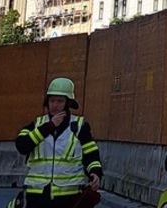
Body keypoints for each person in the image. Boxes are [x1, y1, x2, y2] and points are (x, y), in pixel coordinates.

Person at [14, 77, 103, 208]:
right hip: (38, 194)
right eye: (52, 100)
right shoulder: (37, 125)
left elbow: (91, 154)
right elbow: (22, 146)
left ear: (68, 103)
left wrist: (95, 172)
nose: (55, 105)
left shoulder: (79, 126)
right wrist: (48, 127)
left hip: (69, 196)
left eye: (60, 101)